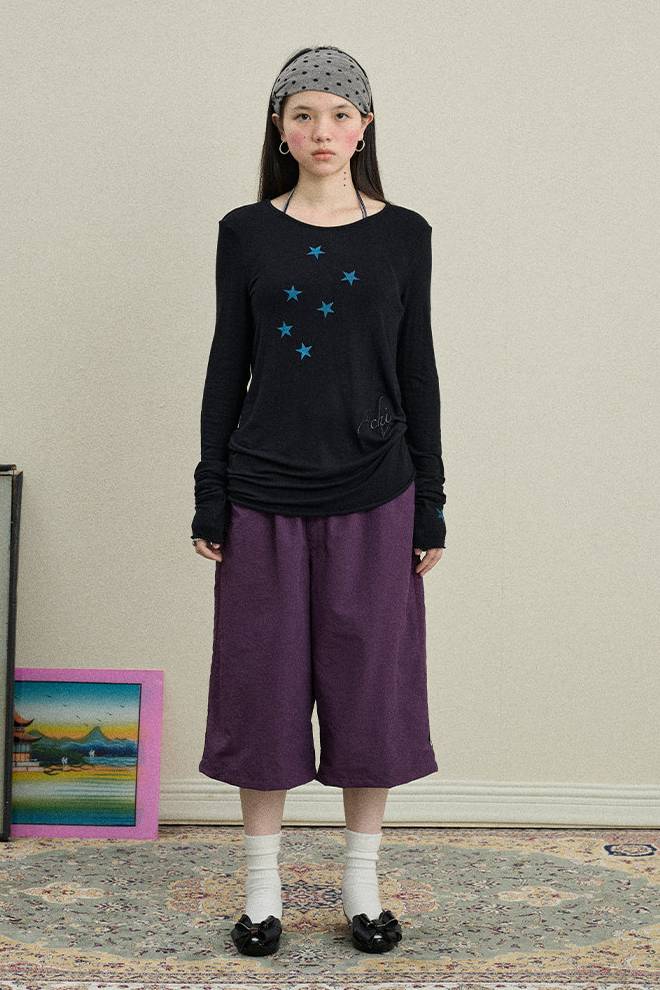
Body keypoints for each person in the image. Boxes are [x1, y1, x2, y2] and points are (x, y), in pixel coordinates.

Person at [191, 44, 447, 957]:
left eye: (339, 115)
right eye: (303, 115)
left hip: (377, 490)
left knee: (369, 687)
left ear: (364, 128)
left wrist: (432, 499)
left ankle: (360, 886)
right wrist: (211, 489)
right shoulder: (246, 232)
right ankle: (262, 892)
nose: (322, 130)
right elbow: (228, 362)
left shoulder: (404, 234)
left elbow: (417, 370)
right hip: (261, 488)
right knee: (259, 686)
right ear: (280, 130)